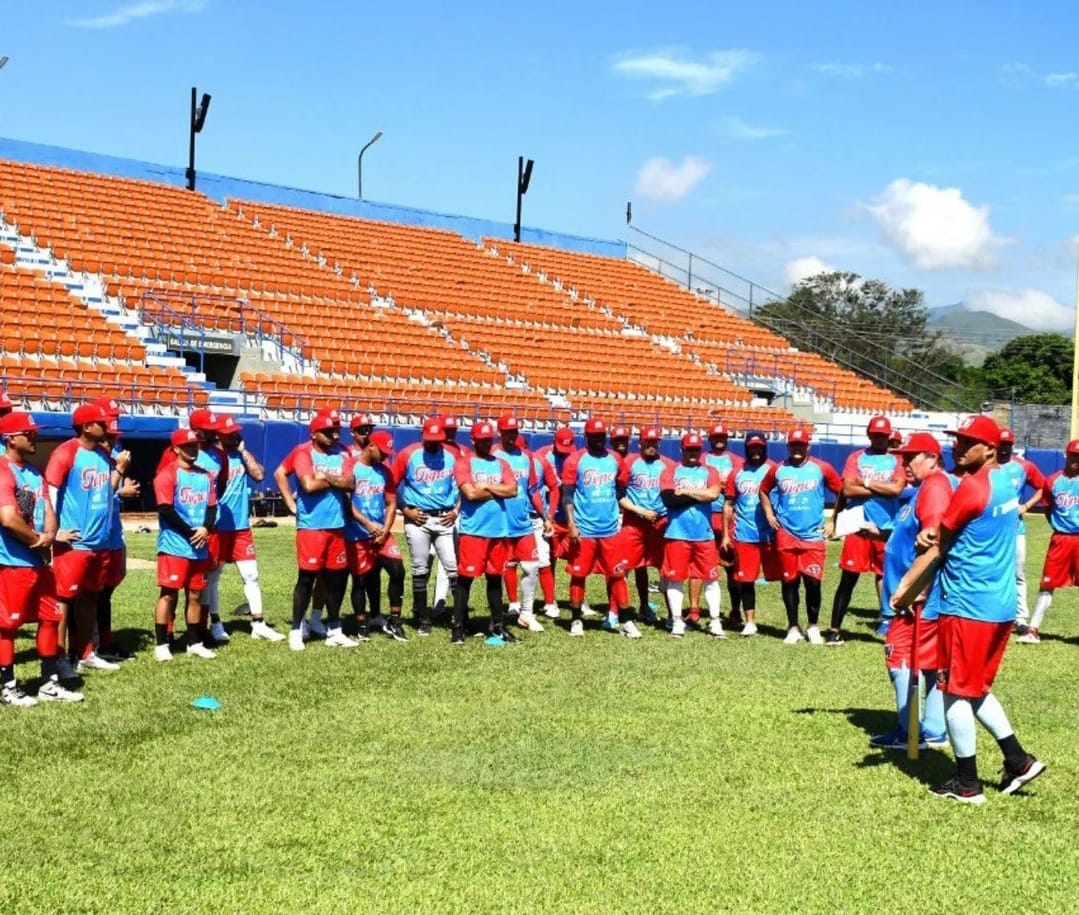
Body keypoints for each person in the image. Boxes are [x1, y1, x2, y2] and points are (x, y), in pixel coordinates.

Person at [894, 414, 1044, 804]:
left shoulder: (973, 487)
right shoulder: (1007, 481)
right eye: (956, 440)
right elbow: (951, 530)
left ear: (990, 449)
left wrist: (904, 592)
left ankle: (967, 784)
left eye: (967, 441)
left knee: (952, 692)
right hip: (1000, 605)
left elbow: (938, 546)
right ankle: (1018, 760)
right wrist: (937, 531)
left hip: (966, 605)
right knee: (975, 687)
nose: (957, 446)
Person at [869, 432, 951, 750]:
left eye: (911, 457)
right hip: (913, 595)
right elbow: (913, 536)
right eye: (903, 457)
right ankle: (931, 729)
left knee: (899, 658)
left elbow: (933, 541)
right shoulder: (921, 490)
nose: (905, 463)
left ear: (932, 457)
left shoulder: (933, 488)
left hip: (915, 598)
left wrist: (914, 588)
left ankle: (910, 731)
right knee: (927, 662)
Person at [0, 411, 82, 703]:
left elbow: (48, 508)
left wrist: (50, 533)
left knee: (50, 617)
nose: (34, 436)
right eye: (28, 432)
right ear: (11, 439)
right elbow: (8, 518)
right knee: (7, 626)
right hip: (12, 562)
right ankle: (7, 687)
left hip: (38, 561)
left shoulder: (33, 472)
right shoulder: (2, 469)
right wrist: (39, 540)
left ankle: (49, 682)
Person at [45, 402, 125, 677]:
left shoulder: (103, 454)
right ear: (86, 426)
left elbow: (107, 492)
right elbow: (50, 492)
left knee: (91, 596)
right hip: (74, 543)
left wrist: (120, 471)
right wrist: (54, 532)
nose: (107, 427)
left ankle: (85, 652)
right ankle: (58, 656)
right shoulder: (66, 452)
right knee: (64, 599)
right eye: (101, 423)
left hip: (100, 542)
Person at [825, 416, 906, 646]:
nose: (880, 438)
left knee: (890, 578)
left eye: (884, 435)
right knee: (847, 580)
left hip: (886, 527)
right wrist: (883, 488)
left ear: (889, 436)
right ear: (869, 434)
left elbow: (897, 489)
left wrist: (867, 483)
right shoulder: (856, 457)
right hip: (858, 527)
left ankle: (889, 624)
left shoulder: (896, 459)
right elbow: (848, 489)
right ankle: (834, 629)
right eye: (876, 434)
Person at [203, 415, 284, 642]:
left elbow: (259, 474)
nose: (235, 435)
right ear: (218, 434)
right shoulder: (209, 458)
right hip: (218, 527)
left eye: (236, 431)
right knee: (213, 577)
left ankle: (258, 623)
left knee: (252, 575)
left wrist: (244, 451)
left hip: (240, 527)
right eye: (230, 432)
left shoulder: (239, 455)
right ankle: (215, 623)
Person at [759, 427, 842, 644]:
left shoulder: (821, 468)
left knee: (813, 582)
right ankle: (793, 627)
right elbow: (763, 489)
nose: (797, 448)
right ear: (788, 446)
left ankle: (813, 626)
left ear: (808, 446)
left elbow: (842, 490)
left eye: (801, 444)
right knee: (790, 582)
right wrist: (769, 514)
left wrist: (834, 520)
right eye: (794, 444)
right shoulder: (777, 469)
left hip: (813, 536)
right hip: (786, 534)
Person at [561, 418, 638, 638]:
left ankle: (625, 620)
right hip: (583, 529)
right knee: (579, 575)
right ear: (586, 437)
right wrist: (571, 524)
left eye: (600, 436)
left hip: (610, 529)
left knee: (617, 574)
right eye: (593, 436)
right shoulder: (575, 460)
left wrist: (611, 506)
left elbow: (621, 488)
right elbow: (567, 494)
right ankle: (576, 619)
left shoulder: (615, 459)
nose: (597, 440)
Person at [287, 411, 357, 650]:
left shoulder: (344, 453)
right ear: (314, 433)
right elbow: (308, 485)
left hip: (337, 526)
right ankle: (296, 629)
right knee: (306, 579)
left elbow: (351, 483)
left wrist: (325, 476)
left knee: (336, 580)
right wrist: (335, 480)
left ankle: (334, 628)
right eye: (327, 432)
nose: (333, 435)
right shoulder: (303, 453)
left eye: (335, 431)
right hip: (311, 527)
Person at [152, 428, 218, 661]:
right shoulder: (167, 474)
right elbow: (165, 509)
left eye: (196, 445)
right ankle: (161, 644)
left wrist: (205, 529)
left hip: (199, 546)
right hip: (174, 546)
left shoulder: (206, 476)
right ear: (176, 449)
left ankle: (194, 642)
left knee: (195, 595)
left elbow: (212, 507)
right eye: (188, 445)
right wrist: (191, 532)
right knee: (168, 594)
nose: (194, 449)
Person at [452, 421, 518, 645]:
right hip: (474, 531)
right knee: (465, 579)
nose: (486, 443)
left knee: (494, 579)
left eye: (489, 439)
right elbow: (470, 494)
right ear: (473, 440)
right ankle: (458, 627)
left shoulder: (501, 463)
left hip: (498, 530)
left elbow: (513, 490)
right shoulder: (464, 463)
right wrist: (498, 490)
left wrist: (487, 487)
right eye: (482, 439)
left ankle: (498, 626)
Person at [392, 417, 459, 636]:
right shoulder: (408, 454)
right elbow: (391, 484)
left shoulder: (451, 456)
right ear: (422, 436)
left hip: (444, 517)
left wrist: (456, 510)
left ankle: (459, 618)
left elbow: (464, 486)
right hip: (417, 517)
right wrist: (405, 509)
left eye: (437, 439)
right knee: (420, 569)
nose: (434, 443)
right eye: (430, 439)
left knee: (454, 568)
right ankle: (423, 618)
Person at [660, 433, 724, 638]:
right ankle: (677, 621)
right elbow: (669, 499)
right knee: (675, 579)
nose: (693, 453)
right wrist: (699, 495)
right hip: (677, 533)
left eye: (696, 449)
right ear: (682, 450)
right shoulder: (670, 470)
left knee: (711, 579)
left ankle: (715, 621)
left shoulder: (710, 471)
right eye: (689, 449)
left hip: (704, 535)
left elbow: (713, 494)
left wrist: (685, 490)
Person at [1019, 439, 1079, 644]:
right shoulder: (1053, 481)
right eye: (1073, 455)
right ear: (1066, 455)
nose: (1076, 460)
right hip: (1061, 538)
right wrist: (1057, 525)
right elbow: (1047, 507)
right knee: (1048, 583)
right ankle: (1033, 629)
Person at [349, 430, 407, 641]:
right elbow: (346, 502)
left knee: (398, 570)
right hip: (356, 533)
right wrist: (366, 523)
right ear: (370, 445)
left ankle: (394, 620)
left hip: (381, 532)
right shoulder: (351, 466)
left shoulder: (385, 472)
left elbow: (391, 503)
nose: (385, 456)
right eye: (382, 452)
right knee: (361, 580)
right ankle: (362, 623)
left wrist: (384, 529)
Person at [494, 415, 549, 633]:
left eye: (514, 431)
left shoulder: (526, 457)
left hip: (523, 521)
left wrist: (545, 517)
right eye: (507, 432)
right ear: (500, 432)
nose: (511, 436)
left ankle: (527, 613)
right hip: (499, 522)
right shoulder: (492, 456)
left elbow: (533, 490)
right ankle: (498, 614)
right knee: (498, 570)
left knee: (532, 566)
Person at [721, 430, 778, 637]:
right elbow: (728, 504)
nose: (756, 451)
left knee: (787, 578)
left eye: (759, 447)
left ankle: (793, 623)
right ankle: (750, 621)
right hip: (745, 534)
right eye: (752, 447)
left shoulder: (774, 469)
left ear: (765, 447)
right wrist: (726, 535)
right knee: (746, 580)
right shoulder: (737, 473)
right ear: (746, 448)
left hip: (772, 534)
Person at [96, 398, 139, 662]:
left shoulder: (114, 452)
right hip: (96, 535)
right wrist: (121, 489)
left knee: (107, 588)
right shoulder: (87, 456)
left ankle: (103, 641)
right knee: (91, 593)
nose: (113, 430)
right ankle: (90, 645)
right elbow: (96, 497)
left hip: (113, 532)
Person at [617, 426, 671, 625]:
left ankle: (672, 615)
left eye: (654, 442)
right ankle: (619, 612)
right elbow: (618, 495)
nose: (651, 446)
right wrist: (640, 511)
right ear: (640, 443)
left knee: (665, 568)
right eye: (647, 442)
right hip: (634, 521)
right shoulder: (629, 463)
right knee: (626, 567)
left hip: (661, 522)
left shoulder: (668, 465)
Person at [996, 428, 1046, 633]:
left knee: (1018, 574)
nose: (1004, 448)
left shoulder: (1023, 466)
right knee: (992, 571)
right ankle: (996, 615)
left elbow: (1044, 487)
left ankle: (1021, 618)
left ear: (1012, 445)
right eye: (1001, 444)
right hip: (990, 529)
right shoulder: (987, 465)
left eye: (1008, 444)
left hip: (1015, 529)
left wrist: (1026, 506)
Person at [697, 423, 743, 626]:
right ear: (709, 439)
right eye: (715, 436)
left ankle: (735, 610)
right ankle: (695, 609)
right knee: (700, 565)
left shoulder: (736, 461)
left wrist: (726, 486)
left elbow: (743, 485)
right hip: (705, 515)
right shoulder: (700, 460)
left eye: (722, 436)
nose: (719, 439)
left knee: (732, 565)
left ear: (728, 438)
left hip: (729, 517)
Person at [535, 426, 577, 619]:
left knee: (577, 559)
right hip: (550, 517)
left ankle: (579, 600)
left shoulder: (575, 457)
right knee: (548, 560)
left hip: (569, 518)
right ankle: (549, 601)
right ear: (554, 442)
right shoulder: (542, 456)